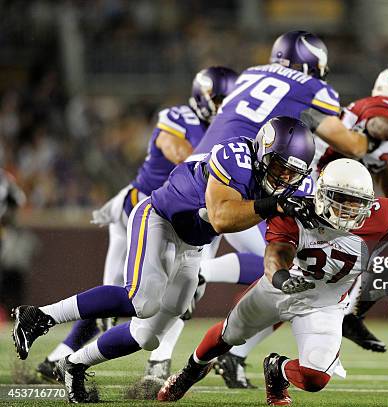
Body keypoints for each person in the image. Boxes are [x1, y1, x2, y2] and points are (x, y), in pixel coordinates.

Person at [11, 116, 317, 403]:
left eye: (293, 173)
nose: (285, 178)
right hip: (159, 218)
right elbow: (222, 218)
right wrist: (276, 204)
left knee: (148, 336)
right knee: (141, 300)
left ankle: (74, 364)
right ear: (263, 152)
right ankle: (38, 316)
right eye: (279, 167)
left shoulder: (292, 185)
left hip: (193, 243)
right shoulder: (235, 156)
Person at [34, 67, 239, 384]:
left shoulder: (229, 129)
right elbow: (179, 154)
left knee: (184, 292)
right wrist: (223, 158)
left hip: (194, 219)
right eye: (221, 99)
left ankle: (155, 361)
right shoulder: (180, 117)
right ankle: (56, 354)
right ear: (203, 97)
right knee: (119, 299)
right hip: (145, 210)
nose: (226, 105)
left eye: (231, 100)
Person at [157, 159, 388, 405]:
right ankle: (189, 372)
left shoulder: (385, 215)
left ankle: (277, 369)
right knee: (227, 335)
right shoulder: (296, 210)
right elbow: (276, 254)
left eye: (357, 202)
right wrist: (282, 279)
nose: (348, 208)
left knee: (316, 378)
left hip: (324, 305)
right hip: (277, 291)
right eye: (340, 198)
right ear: (322, 194)